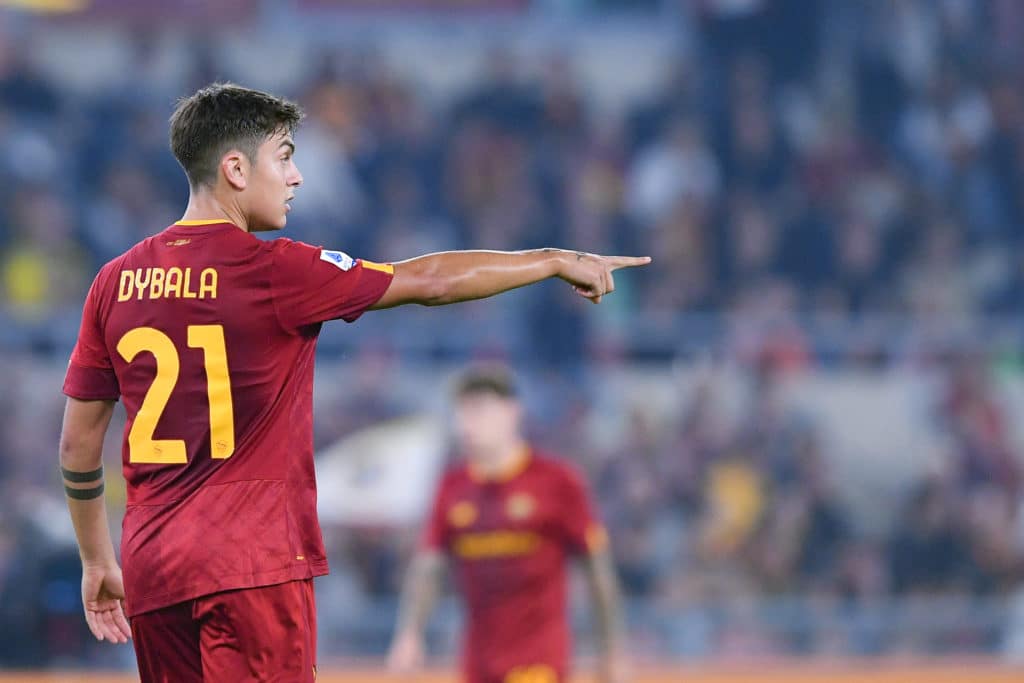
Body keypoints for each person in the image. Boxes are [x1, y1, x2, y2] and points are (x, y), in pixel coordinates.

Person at [57, 82, 648, 682]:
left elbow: (78, 446)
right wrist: (551, 260)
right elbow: (430, 281)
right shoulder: (275, 269)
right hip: (251, 561)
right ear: (235, 169)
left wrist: (97, 560)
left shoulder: (114, 282)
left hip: (153, 564)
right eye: (284, 157)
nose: (296, 177)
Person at [388, 367, 627, 683]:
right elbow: (429, 567)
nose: (467, 423)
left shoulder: (557, 481)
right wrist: (409, 633)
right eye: (462, 411)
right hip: (478, 664)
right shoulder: (452, 488)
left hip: (539, 661)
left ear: (512, 413)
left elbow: (597, 570)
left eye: (479, 409)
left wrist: (611, 650)